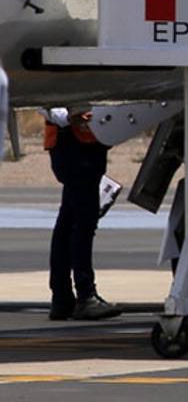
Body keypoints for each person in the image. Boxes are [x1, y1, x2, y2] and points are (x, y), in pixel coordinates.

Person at [45, 107, 121, 321]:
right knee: (82, 224)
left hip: (81, 141)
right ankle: (85, 296)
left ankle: (62, 298)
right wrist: (66, 118)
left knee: (68, 223)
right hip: (75, 143)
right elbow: (47, 101)